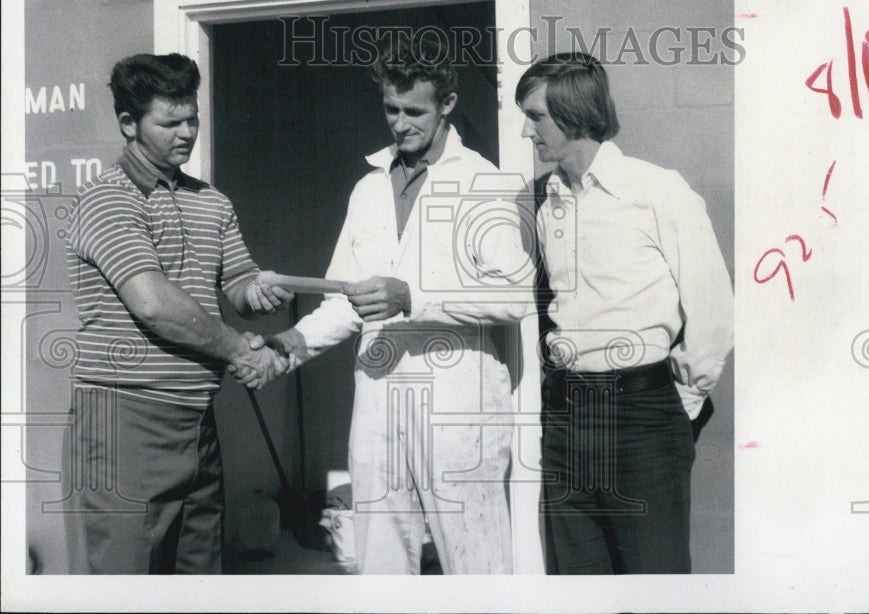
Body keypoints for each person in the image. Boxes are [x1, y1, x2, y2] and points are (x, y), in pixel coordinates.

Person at [256, 34, 533, 574]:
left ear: (447, 105)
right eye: (390, 109)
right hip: (379, 393)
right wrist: (289, 345)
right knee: (381, 561)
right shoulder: (367, 190)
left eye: (414, 111)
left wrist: (413, 297)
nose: (400, 123)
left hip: (458, 402)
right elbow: (346, 297)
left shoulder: (487, 183)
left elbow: (514, 295)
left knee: (476, 562)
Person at [62, 53, 293, 574]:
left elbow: (236, 283)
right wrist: (239, 349)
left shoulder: (212, 201)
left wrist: (258, 292)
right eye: (170, 122)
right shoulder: (107, 199)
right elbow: (154, 304)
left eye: (192, 117)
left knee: (198, 578)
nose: (187, 132)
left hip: (197, 423)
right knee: (126, 586)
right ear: (128, 124)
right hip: (126, 419)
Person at [517, 52, 734, 574]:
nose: (528, 132)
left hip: (642, 419)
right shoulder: (547, 201)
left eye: (536, 117)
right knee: (578, 584)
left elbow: (713, 314)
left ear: (572, 114)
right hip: (566, 420)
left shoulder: (657, 190)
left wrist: (669, 405)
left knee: (653, 582)